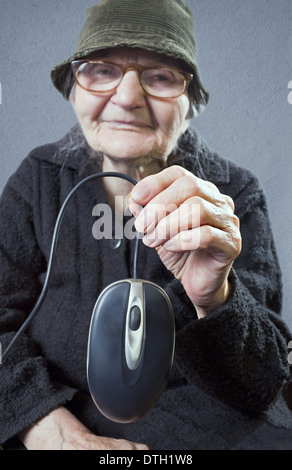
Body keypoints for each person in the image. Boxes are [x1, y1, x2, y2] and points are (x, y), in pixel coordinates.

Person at [0, 0, 292, 451]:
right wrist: (42, 422)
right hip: (57, 410)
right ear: (72, 91)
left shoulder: (235, 192)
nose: (128, 97)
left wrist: (215, 298)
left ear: (191, 105)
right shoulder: (38, 178)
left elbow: (265, 381)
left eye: (160, 77)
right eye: (100, 70)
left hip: (205, 427)